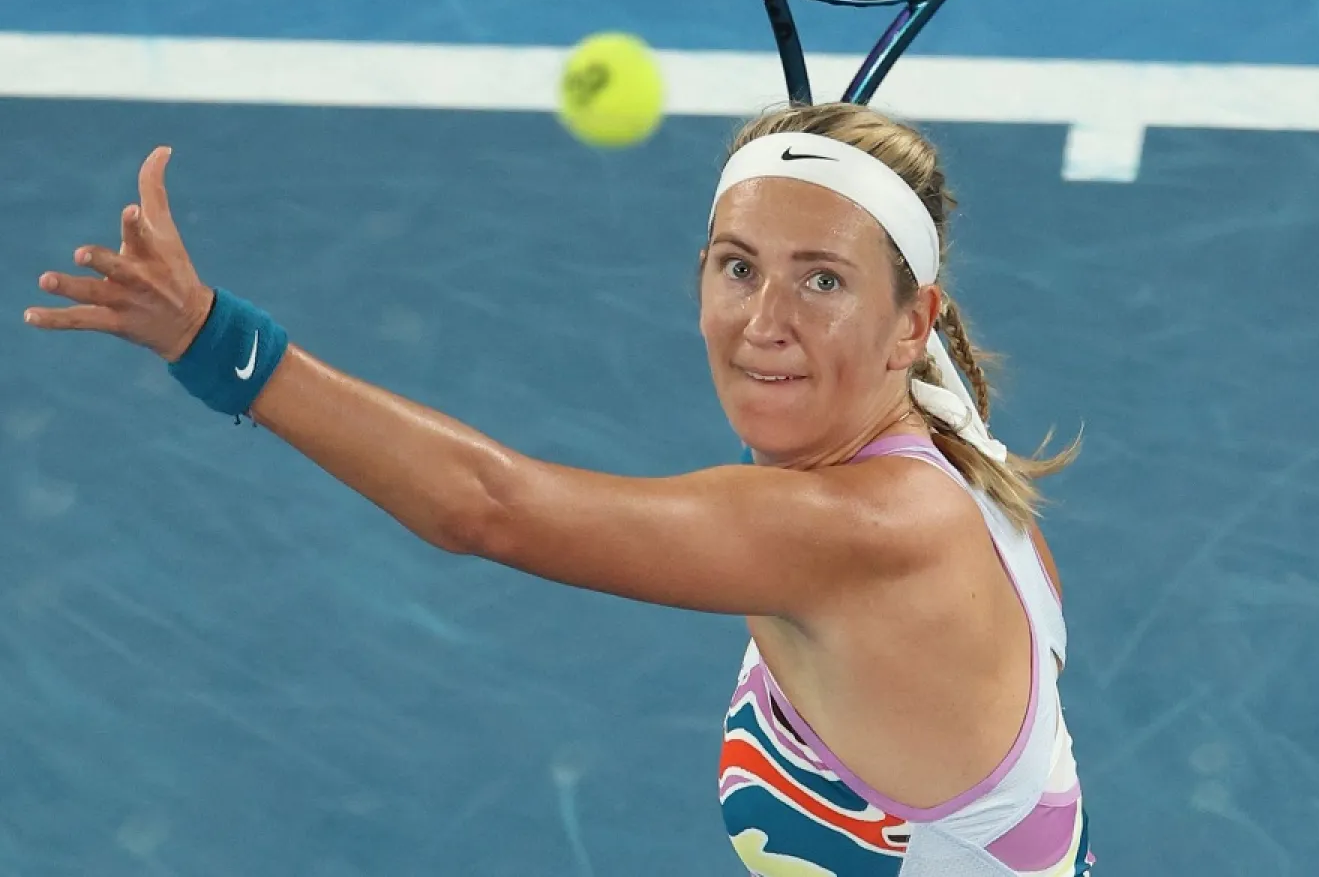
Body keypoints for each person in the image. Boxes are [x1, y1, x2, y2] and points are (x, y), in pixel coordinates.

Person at [24, 102, 1093, 876]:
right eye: (737, 265)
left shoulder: (858, 530)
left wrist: (218, 344)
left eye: (823, 279)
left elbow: (488, 507)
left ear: (913, 321)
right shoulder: (963, 457)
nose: (765, 319)